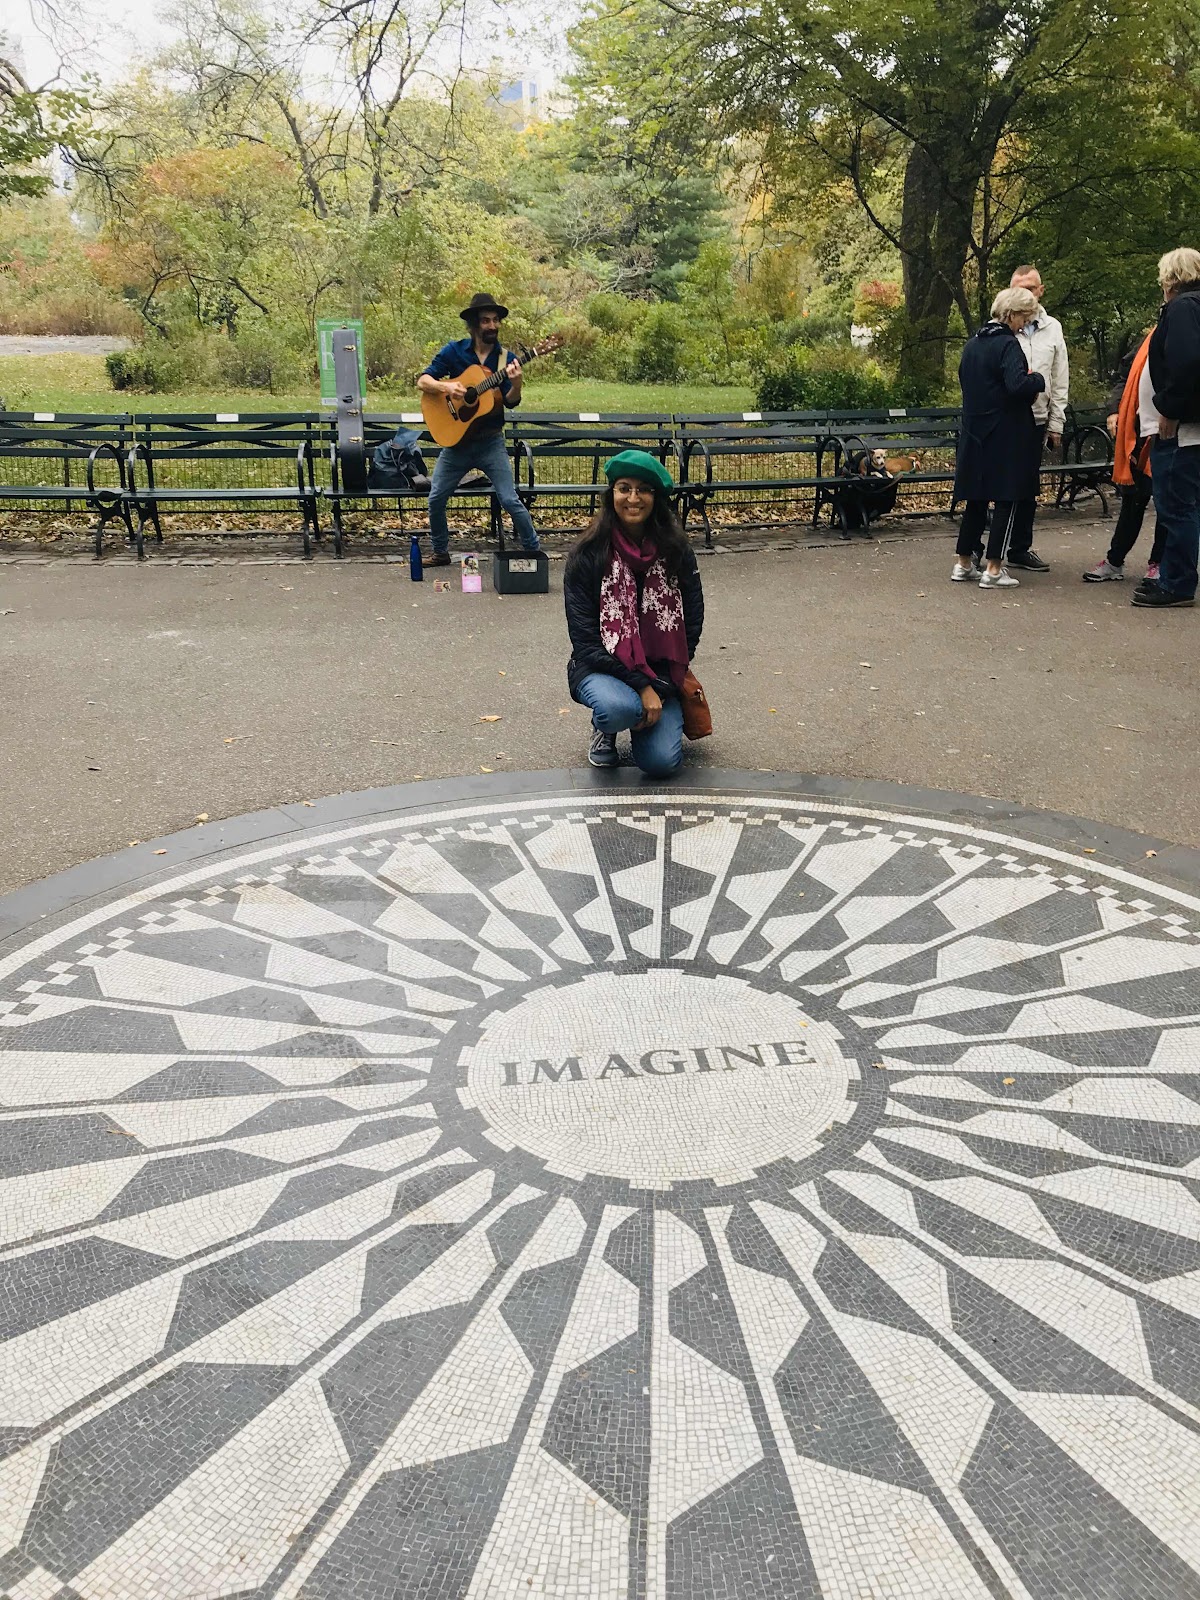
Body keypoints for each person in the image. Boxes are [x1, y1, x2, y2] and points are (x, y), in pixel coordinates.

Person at [564, 450, 703, 776]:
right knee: (618, 708)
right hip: (600, 666)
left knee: (661, 763)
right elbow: (584, 640)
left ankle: (652, 717)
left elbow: (692, 621)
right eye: (624, 488)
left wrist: (666, 684)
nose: (633, 498)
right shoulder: (588, 554)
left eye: (643, 490)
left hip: (661, 672)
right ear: (611, 494)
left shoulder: (676, 550)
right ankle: (607, 727)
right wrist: (643, 688)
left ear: (656, 497)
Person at [416, 292, 541, 568]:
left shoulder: (505, 360)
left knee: (509, 498)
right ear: (474, 324)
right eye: (486, 320)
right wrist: (446, 386)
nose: (492, 326)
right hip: (457, 443)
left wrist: (517, 384)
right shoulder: (454, 351)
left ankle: (534, 551)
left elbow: (510, 401)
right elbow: (423, 381)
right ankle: (440, 552)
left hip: (490, 442)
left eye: (496, 320)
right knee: (436, 497)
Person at [951, 286, 1047, 588]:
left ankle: (963, 563)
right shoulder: (1008, 345)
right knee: (1007, 497)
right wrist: (1038, 380)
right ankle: (994, 568)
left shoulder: (972, 345)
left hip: (974, 432)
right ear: (1012, 315)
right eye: (1024, 318)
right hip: (1005, 434)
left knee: (976, 500)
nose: (1024, 325)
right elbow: (1017, 385)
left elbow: (965, 382)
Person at [1133, 246, 1200, 609]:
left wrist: (1169, 409)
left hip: (1182, 428)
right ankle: (1179, 578)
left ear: (1171, 278)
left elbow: (1188, 360)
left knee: (1177, 506)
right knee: (1186, 505)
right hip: (1191, 425)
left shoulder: (1183, 308)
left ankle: (1177, 584)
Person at [1082, 329, 1162, 583]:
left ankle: (1160, 563)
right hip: (1138, 433)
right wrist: (1115, 410)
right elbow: (1123, 378)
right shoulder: (1150, 339)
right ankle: (1115, 560)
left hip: (1170, 432)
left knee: (1169, 504)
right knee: (1133, 499)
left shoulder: (1185, 337)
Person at [1004, 264, 1069, 572]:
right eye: (1019, 288)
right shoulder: (1000, 328)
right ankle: (982, 548)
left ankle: (1019, 548)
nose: (1025, 294)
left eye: (1031, 288)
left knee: (1028, 486)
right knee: (997, 482)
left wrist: (1057, 423)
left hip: (1037, 419)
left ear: (1041, 291)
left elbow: (1060, 379)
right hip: (1003, 420)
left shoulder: (1052, 328)